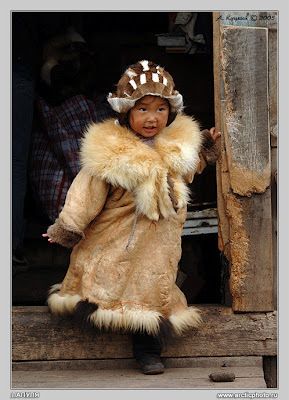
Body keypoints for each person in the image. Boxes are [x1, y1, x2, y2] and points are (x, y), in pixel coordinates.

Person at [42, 60, 220, 375]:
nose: (152, 118)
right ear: (126, 112)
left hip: (157, 246)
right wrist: (68, 226)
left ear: (171, 112)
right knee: (106, 283)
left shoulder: (175, 147)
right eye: (143, 109)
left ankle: (149, 352)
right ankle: (94, 321)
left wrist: (205, 149)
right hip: (118, 240)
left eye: (161, 109)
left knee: (151, 296)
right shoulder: (111, 156)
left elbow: (188, 170)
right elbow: (85, 193)